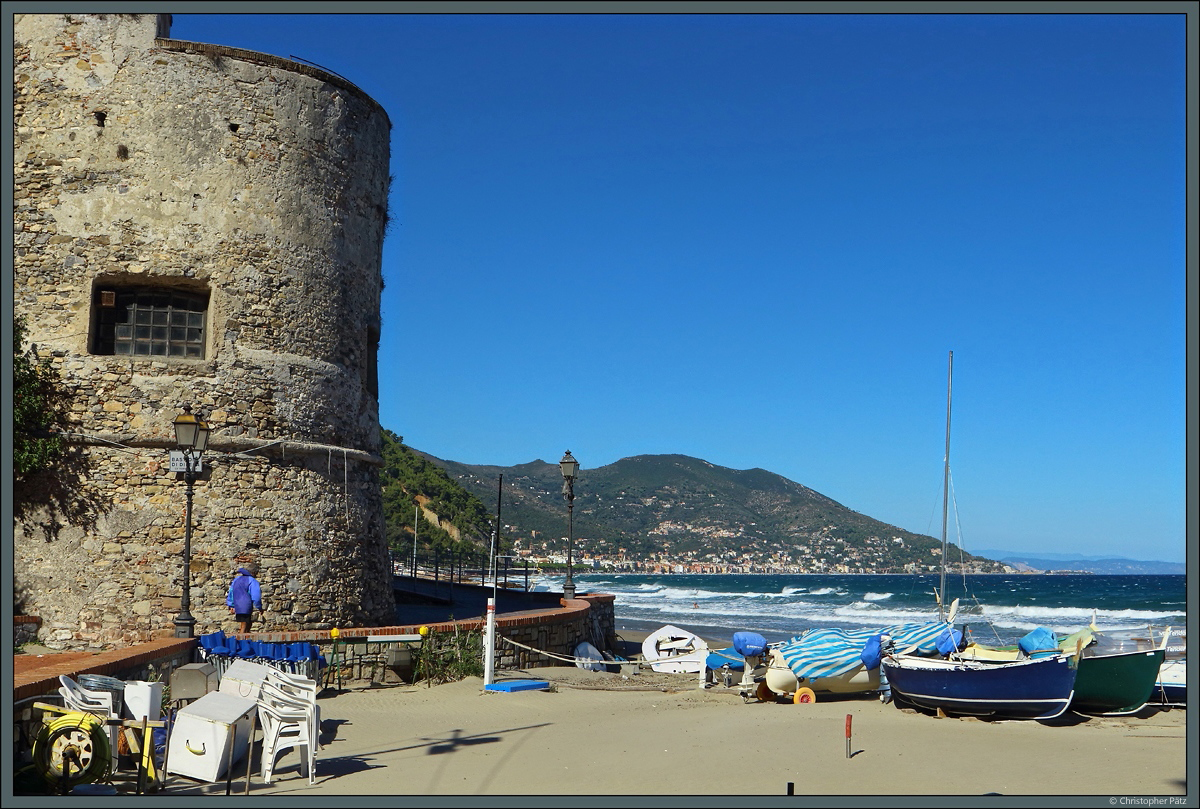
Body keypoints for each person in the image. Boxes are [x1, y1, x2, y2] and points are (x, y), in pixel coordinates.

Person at [227, 566, 262, 634]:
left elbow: (231, 592)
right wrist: (259, 607)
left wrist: (231, 605)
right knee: (244, 625)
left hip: (237, 604)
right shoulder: (252, 581)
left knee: (244, 623)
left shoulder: (236, 579)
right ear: (253, 573)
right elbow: (256, 596)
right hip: (246, 605)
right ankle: (242, 641)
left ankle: (244, 639)